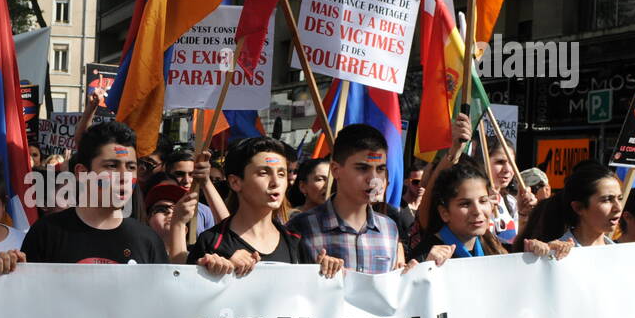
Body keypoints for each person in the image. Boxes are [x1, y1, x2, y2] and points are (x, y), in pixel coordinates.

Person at [188, 136, 342, 278]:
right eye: (263, 173)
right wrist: (217, 272)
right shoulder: (211, 242)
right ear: (235, 182)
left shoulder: (295, 242)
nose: (276, 182)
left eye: (282, 174)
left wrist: (324, 271)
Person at [20, 120, 167, 264]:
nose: (124, 177)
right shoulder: (46, 234)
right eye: (112, 166)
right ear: (82, 172)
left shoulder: (148, 241)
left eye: (131, 167)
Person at [521, 160, 635, 269]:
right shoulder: (554, 255)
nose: (618, 207)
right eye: (607, 200)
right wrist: (536, 259)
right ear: (578, 207)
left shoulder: (624, 257)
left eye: (619, 199)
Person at [290, 124, 404, 274]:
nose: (373, 179)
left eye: (380, 169)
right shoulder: (301, 227)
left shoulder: (389, 229)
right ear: (336, 170)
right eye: (362, 168)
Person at [413, 160, 566, 264]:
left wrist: (533, 256)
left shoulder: (493, 246)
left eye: (483, 200)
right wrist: (425, 269)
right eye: (465, 204)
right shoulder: (426, 255)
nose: (477, 211)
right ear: (444, 212)